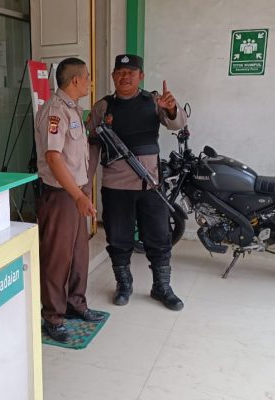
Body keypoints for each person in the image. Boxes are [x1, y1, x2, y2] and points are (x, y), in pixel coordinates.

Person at [85, 54, 187, 310]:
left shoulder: (154, 101)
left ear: (140, 76)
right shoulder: (102, 107)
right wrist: (85, 186)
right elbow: (92, 147)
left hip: (150, 185)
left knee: (159, 237)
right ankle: (124, 284)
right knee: (118, 239)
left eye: (131, 72)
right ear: (113, 76)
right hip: (115, 187)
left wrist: (171, 108)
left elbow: (177, 124)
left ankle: (161, 287)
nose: (125, 77)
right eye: (120, 72)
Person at [35, 58, 103, 343]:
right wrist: (77, 195)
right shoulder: (55, 111)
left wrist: (81, 192)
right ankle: (53, 317)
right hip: (61, 196)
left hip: (75, 192)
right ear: (76, 80)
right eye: (87, 76)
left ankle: (76, 304)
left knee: (78, 253)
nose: (89, 81)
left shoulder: (73, 108)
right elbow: (53, 157)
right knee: (57, 258)